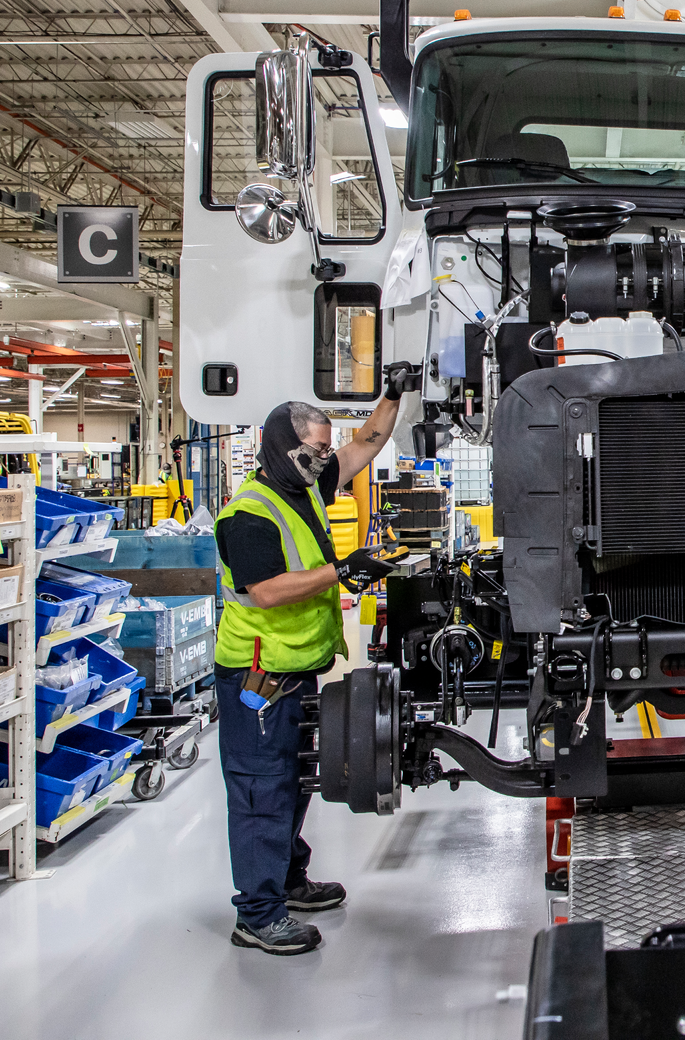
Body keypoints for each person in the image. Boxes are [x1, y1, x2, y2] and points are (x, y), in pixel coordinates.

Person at [213, 365, 418, 955]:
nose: (325, 459)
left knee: (295, 777)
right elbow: (268, 590)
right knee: (262, 789)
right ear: (285, 447)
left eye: (324, 450)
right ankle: (257, 914)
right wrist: (343, 570)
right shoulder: (248, 513)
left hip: (296, 666)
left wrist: (393, 393)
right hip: (257, 676)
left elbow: (365, 445)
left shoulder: (303, 488)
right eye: (315, 449)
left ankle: (286, 880)